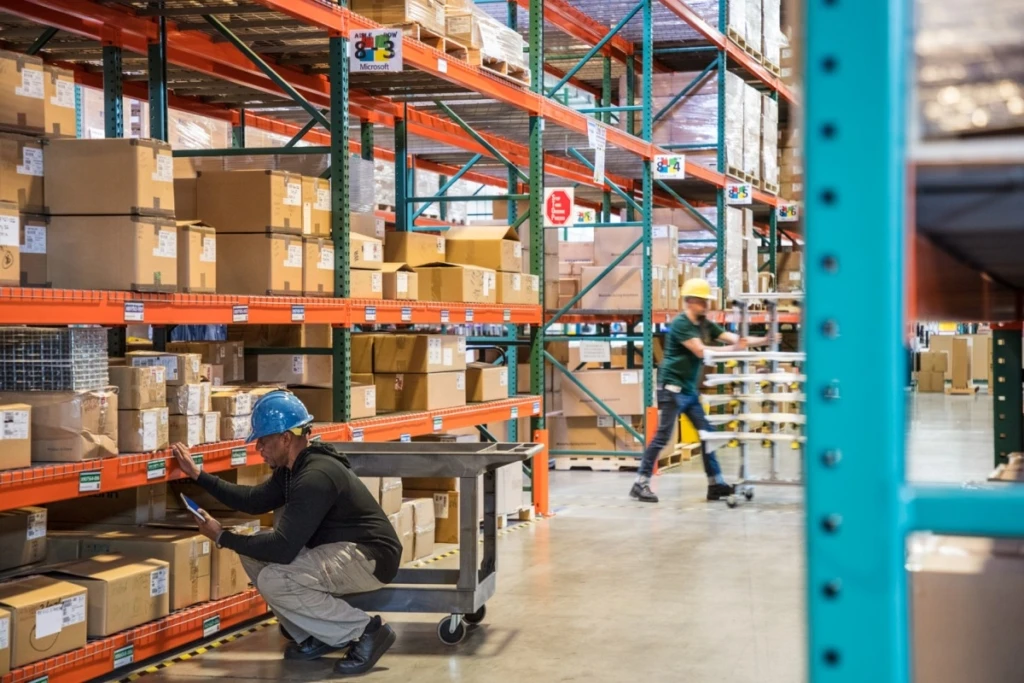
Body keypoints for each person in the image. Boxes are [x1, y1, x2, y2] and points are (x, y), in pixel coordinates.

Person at [170, 390, 402, 675]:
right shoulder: (293, 468)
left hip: (370, 556)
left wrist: (222, 536)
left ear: (285, 438)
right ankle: (315, 635)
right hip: (342, 549)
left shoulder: (315, 475)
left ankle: (366, 632)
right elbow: (254, 501)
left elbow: (283, 548)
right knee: (253, 555)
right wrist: (199, 475)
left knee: (276, 579)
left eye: (263, 441)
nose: (259, 449)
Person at [630, 278, 771, 504]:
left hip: (688, 389)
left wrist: (764, 339)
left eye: (706, 301)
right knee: (662, 437)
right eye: (702, 301)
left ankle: (715, 484)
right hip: (671, 387)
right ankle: (640, 483)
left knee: (708, 435)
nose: (706, 305)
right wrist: (733, 350)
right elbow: (700, 351)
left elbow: (734, 338)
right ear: (690, 301)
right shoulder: (681, 324)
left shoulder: (704, 323)